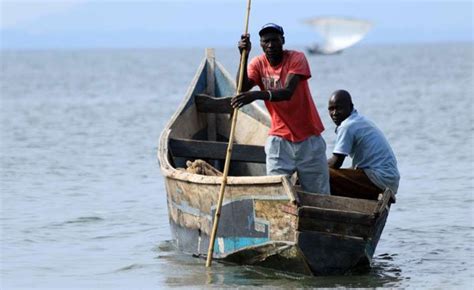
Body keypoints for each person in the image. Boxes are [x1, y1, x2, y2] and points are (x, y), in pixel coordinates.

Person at [230, 23, 330, 194]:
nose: (270, 45)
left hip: (309, 139)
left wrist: (257, 95)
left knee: (319, 194)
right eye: (266, 41)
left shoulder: (296, 59)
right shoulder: (258, 63)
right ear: (261, 44)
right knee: (276, 193)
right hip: (279, 141)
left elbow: (287, 92)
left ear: (283, 41)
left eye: (275, 40)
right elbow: (242, 88)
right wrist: (243, 56)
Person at [327, 89, 400, 199]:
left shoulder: (347, 126)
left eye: (339, 108)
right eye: (331, 109)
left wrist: (312, 166)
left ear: (350, 107)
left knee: (322, 174)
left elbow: (336, 163)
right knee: (330, 173)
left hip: (379, 179)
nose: (334, 113)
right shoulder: (359, 120)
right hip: (389, 180)